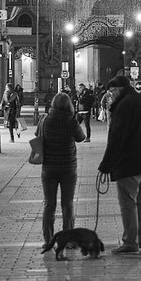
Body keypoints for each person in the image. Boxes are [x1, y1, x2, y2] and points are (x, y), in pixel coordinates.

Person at [96, 74, 141, 255]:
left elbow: (118, 138)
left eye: (111, 93)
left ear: (118, 90)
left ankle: (130, 241)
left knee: (128, 202)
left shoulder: (124, 106)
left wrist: (106, 165)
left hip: (130, 161)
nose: (110, 96)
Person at [35, 91, 82, 249]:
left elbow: (37, 135)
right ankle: (68, 239)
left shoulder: (45, 119)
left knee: (49, 204)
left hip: (48, 168)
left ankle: (48, 239)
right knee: (67, 204)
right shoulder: (71, 121)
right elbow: (81, 137)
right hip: (68, 167)